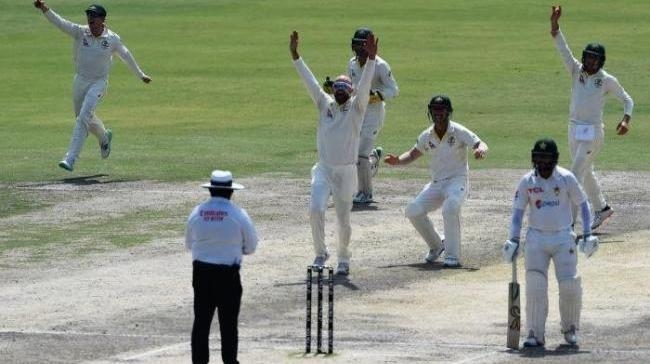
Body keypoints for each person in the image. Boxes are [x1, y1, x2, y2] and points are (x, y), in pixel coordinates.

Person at [290, 30, 377, 275]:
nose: (339, 92)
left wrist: (371, 60)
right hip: (324, 169)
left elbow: (365, 86)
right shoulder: (324, 104)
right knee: (316, 209)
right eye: (336, 88)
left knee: (343, 219)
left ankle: (343, 257)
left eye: (344, 89)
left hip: (346, 172)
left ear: (349, 91)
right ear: (333, 90)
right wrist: (295, 55)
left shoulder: (357, 109)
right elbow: (310, 81)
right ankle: (320, 253)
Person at [502, 138, 599, 347]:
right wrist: (513, 238)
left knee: (569, 285)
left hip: (564, 237)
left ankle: (570, 329)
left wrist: (588, 233)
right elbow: (518, 213)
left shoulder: (566, 178)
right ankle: (534, 333)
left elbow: (583, 205)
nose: (543, 164)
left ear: (554, 159)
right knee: (535, 286)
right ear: (533, 159)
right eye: (539, 158)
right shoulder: (527, 181)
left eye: (547, 159)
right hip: (536, 238)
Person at [33, 1, 152, 172]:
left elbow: (126, 55)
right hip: (80, 80)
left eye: (94, 16)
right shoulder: (80, 32)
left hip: (99, 83)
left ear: (103, 20)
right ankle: (104, 137)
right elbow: (60, 22)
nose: (90, 19)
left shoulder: (112, 39)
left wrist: (141, 75)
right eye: (89, 16)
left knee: (83, 117)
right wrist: (44, 8)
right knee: (83, 117)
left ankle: (70, 158)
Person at [550, 5, 633, 230]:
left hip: (592, 132)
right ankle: (602, 208)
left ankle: (567, 226)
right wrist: (555, 25)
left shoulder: (606, 80)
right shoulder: (576, 71)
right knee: (586, 173)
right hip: (573, 129)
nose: (590, 62)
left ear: (601, 61)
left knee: (575, 174)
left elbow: (627, 99)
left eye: (594, 60)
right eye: (588, 58)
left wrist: (626, 119)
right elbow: (563, 49)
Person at [384, 95, 488, 267]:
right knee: (413, 210)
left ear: (448, 112)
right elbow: (412, 154)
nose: (438, 113)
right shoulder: (427, 135)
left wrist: (481, 151)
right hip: (436, 183)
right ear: (430, 111)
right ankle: (437, 245)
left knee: (451, 206)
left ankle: (452, 256)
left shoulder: (458, 131)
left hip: (457, 181)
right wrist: (397, 161)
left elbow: (479, 143)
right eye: (435, 110)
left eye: (442, 110)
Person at [185, 170, 259, 364]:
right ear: (231, 192)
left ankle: (199, 361)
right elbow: (251, 246)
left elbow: (189, 243)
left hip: (201, 273)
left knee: (201, 321)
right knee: (228, 324)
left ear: (211, 190)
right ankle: (229, 361)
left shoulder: (197, 212)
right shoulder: (238, 214)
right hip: (228, 275)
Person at [348, 27, 399, 204]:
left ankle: (366, 193)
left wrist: (377, 95)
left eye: (363, 46)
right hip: (356, 112)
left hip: (374, 113)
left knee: (360, 153)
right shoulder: (352, 63)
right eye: (357, 46)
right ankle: (373, 159)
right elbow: (353, 87)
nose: (359, 50)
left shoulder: (381, 65)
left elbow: (394, 89)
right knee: (354, 152)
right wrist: (337, 88)